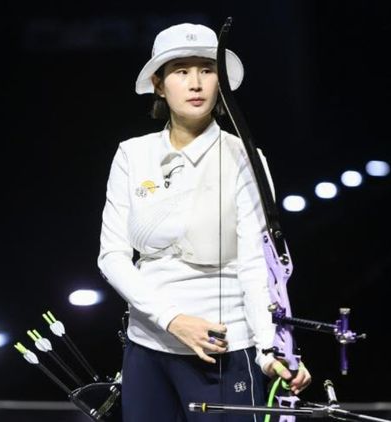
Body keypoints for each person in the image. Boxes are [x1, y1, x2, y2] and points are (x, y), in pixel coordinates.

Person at [97, 22, 311, 421]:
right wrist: (173, 320)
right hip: (146, 351)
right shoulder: (132, 154)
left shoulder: (245, 157)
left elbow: (257, 265)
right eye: (181, 71)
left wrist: (271, 350)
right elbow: (112, 257)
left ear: (221, 82)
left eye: (207, 70)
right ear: (159, 85)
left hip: (225, 351)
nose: (195, 83)